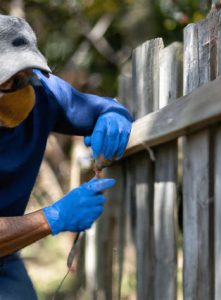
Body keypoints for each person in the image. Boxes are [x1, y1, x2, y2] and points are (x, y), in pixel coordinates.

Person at [0, 15, 133, 299]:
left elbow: (98, 108)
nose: (22, 86)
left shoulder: (43, 93)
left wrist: (114, 115)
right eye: (9, 80)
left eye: (26, 75)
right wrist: (54, 216)